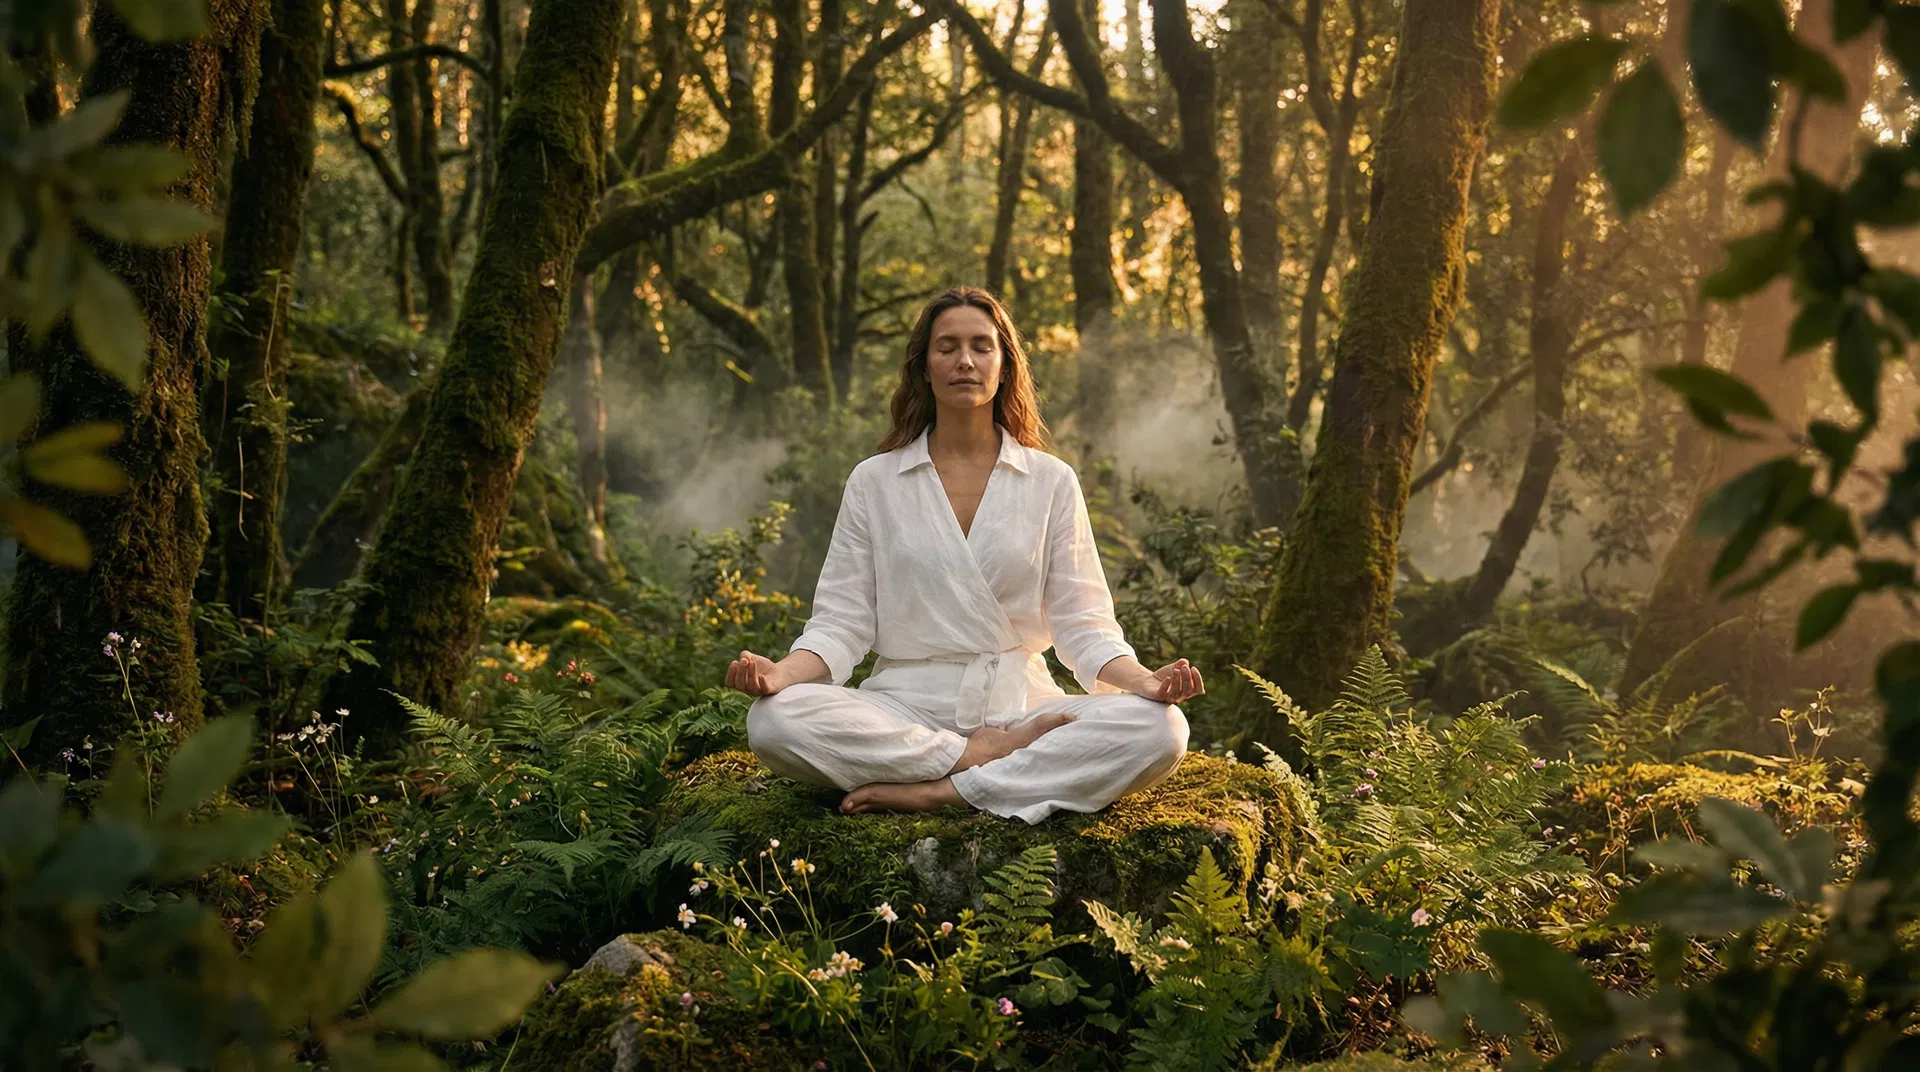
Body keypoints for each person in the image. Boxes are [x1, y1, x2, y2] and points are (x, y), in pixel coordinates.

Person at [726, 286, 1203, 823]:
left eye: (982, 346)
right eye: (947, 346)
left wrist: (1146, 682)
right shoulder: (875, 481)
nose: (965, 361)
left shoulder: (1050, 481)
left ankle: (940, 791)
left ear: (1005, 365)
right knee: (774, 721)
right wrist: (781, 676)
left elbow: (1084, 625)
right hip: (901, 707)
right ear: (924, 368)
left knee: (1159, 729)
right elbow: (841, 623)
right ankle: (975, 761)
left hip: (1022, 706)